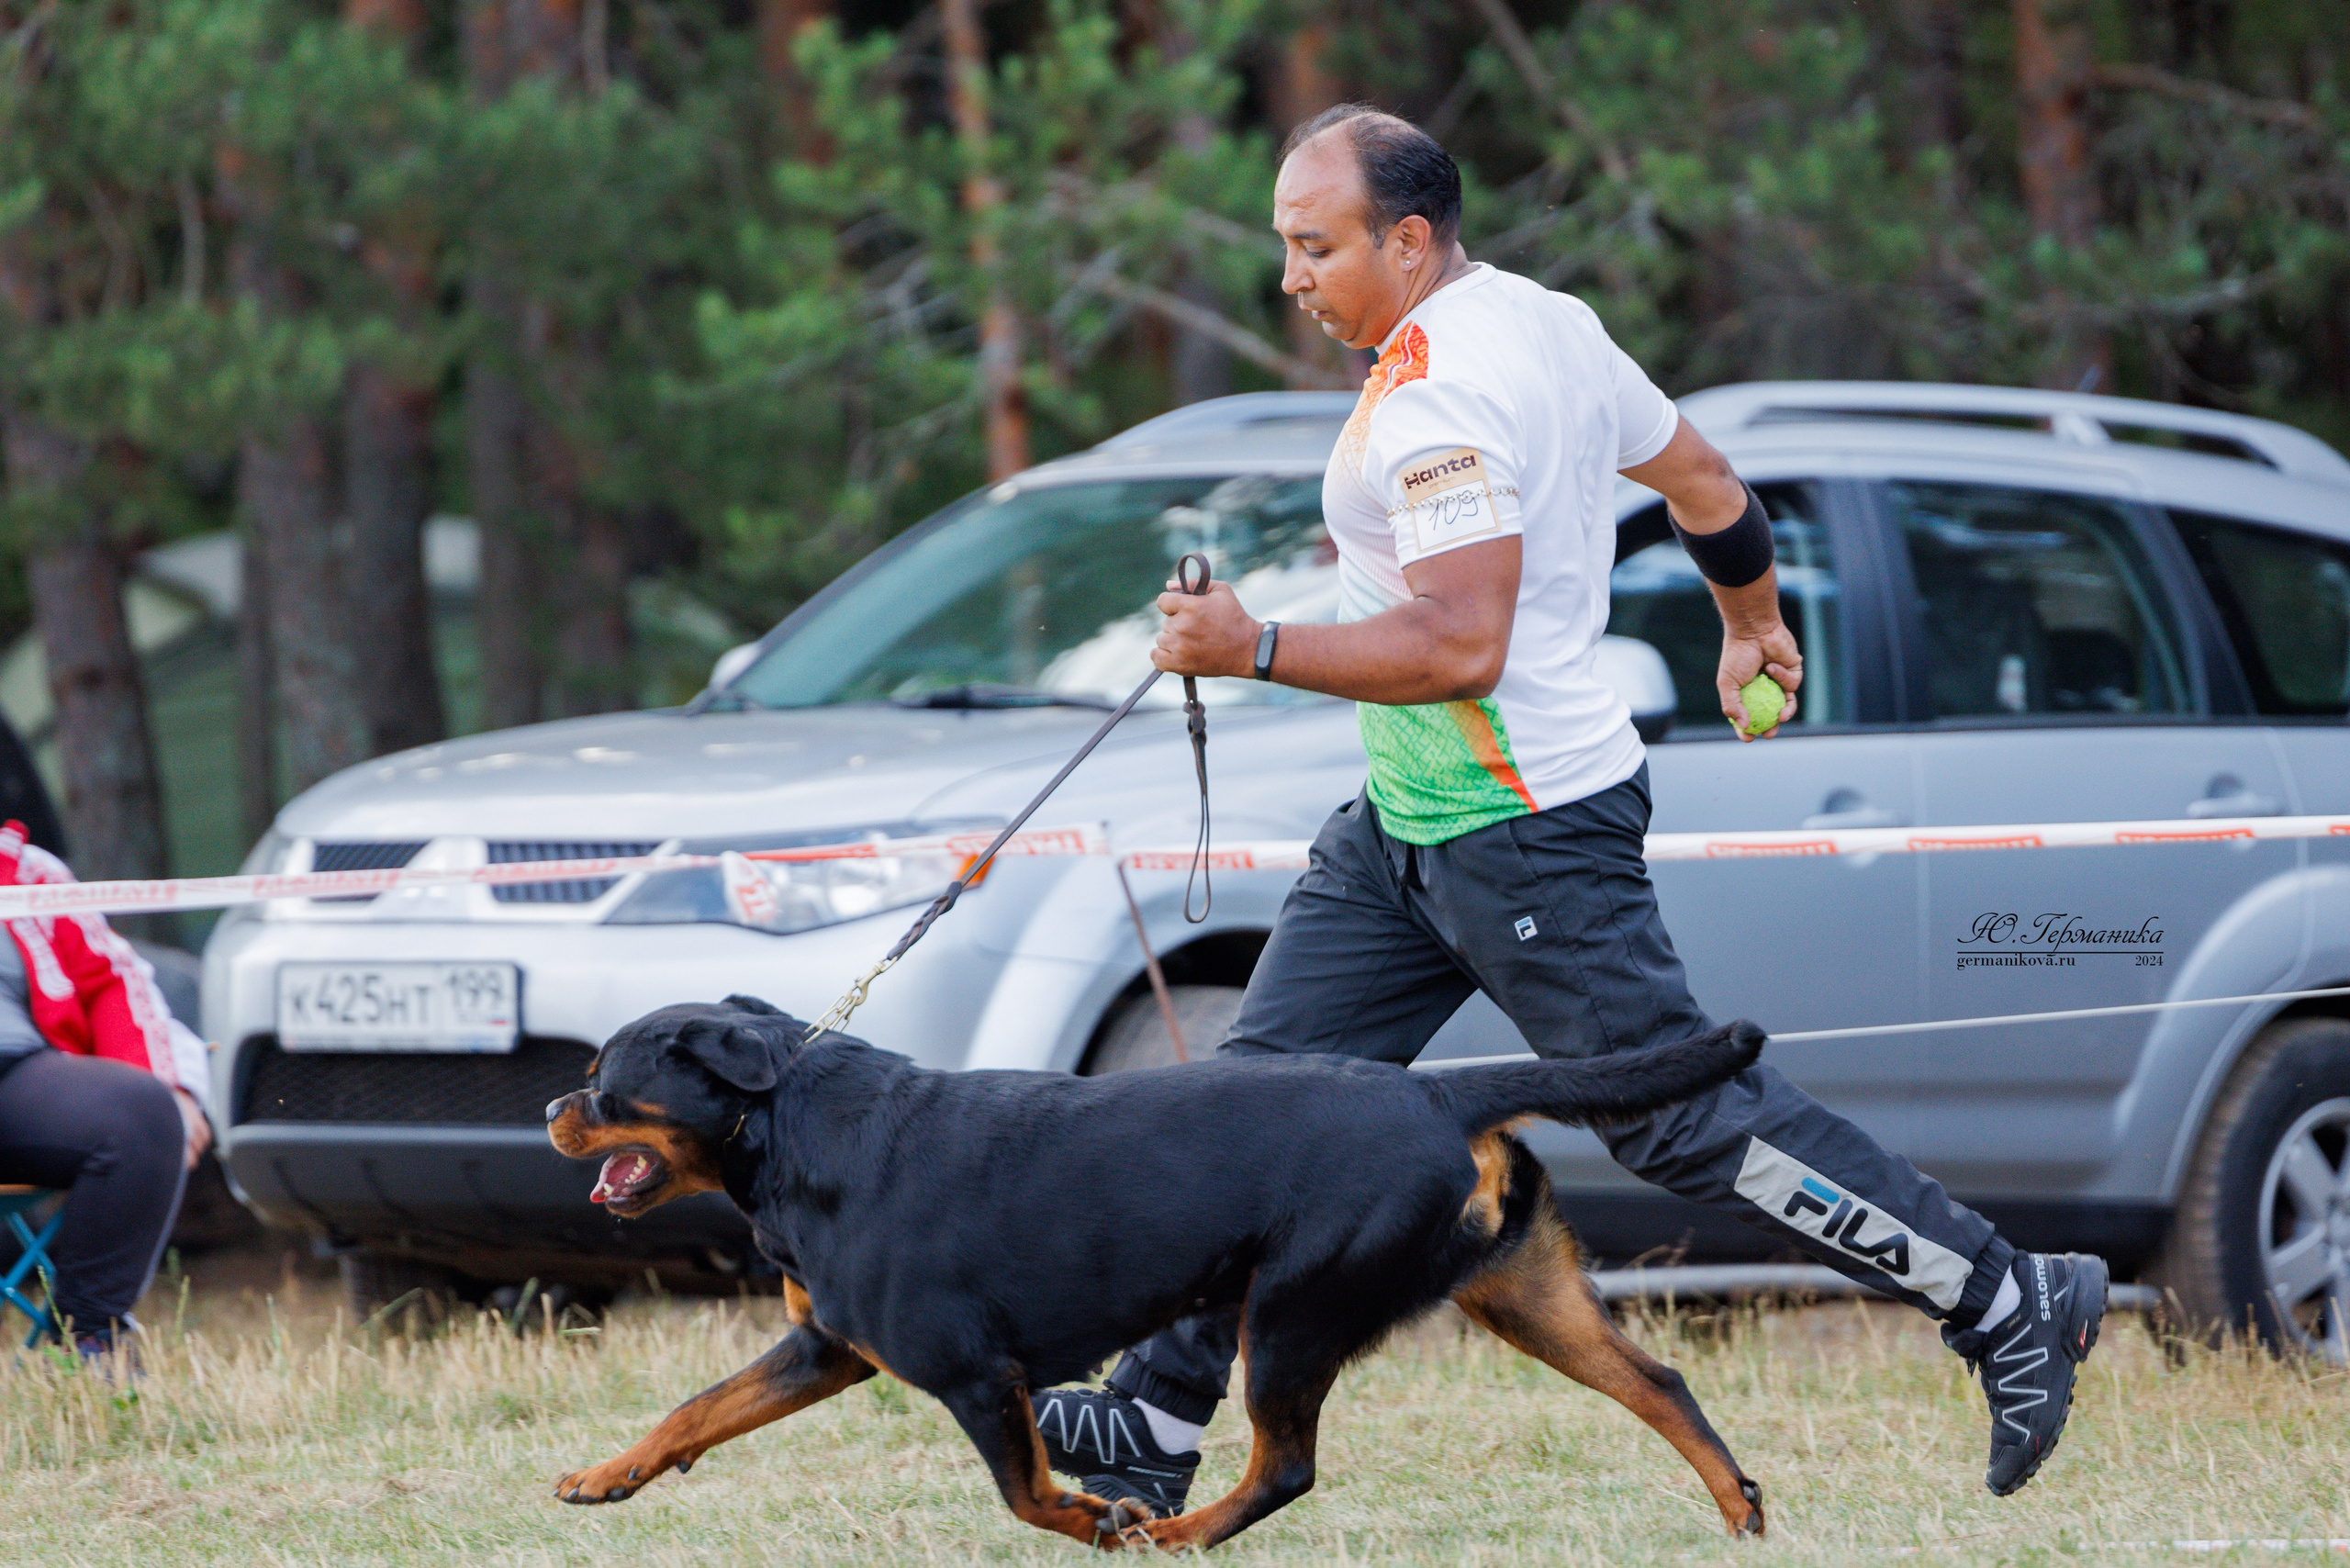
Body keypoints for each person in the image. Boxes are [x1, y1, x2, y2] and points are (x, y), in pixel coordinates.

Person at [1034, 105, 2106, 1513]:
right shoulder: (1548, 319)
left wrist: (1255, 647)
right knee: (1256, 1105)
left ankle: (2007, 1296)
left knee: (1683, 1124)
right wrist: (1749, 623)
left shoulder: (1444, 396)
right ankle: (1156, 1423)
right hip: (1406, 825)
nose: (1291, 278)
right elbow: (1707, 488)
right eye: (1284, 246)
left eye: (1315, 247)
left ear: (1407, 242)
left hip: (1521, 826)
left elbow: (1458, 643)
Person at [0, 820, 214, 1362]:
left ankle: (89, 1338)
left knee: (145, 1113)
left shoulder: (31, 874)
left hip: (17, 1075)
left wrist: (172, 1087)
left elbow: (113, 985)